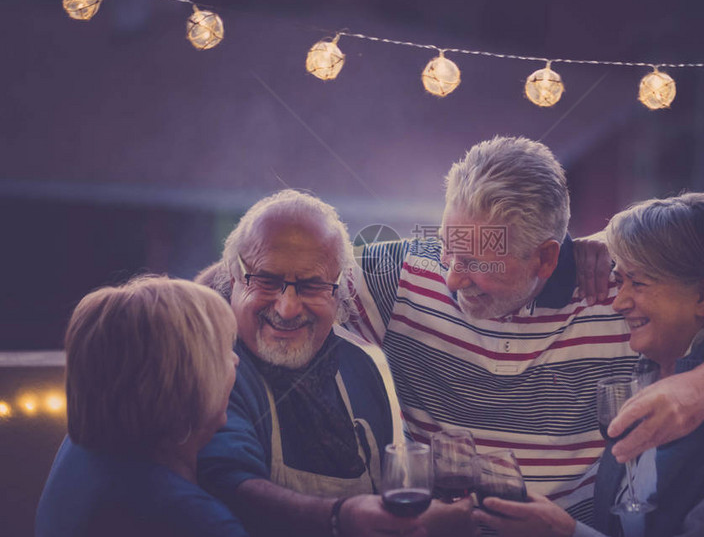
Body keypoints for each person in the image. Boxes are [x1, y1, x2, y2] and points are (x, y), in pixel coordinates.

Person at [348, 137, 704, 523]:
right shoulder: (403, 274)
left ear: (547, 258)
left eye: (476, 262)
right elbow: (292, 274)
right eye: (448, 249)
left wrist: (701, 386)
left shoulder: (621, 294)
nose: (450, 277)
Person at [475, 192, 704, 536]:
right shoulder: (648, 371)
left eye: (637, 283)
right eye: (619, 280)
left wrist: (565, 532)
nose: (618, 302)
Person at [196, 190, 440, 537]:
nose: (287, 308)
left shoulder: (360, 369)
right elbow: (226, 481)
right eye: (266, 281)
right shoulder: (213, 365)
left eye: (311, 286)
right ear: (234, 278)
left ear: (338, 291)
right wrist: (340, 519)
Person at [36, 276, 248, 537]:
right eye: (224, 351)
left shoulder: (80, 450)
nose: (236, 360)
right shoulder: (189, 518)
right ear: (189, 381)